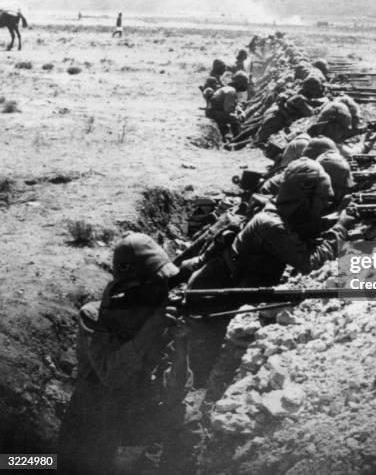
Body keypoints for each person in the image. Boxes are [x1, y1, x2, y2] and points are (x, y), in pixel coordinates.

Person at [181, 158, 354, 390]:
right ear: (303, 199)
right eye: (321, 199)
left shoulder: (279, 214)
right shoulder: (271, 224)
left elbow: (308, 233)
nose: (324, 205)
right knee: (197, 376)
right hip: (209, 305)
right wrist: (341, 227)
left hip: (227, 297)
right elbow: (309, 263)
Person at [58, 232, 192, 475]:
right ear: (136, 286)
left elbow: (177, 388)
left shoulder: (159, 316)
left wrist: (181, 346)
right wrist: (151, 328)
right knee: (42, 464)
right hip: (91, 426)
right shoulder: (94, 316)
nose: (163, 290)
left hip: (132, 423)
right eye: (156, 284)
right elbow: (111, 375)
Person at [205, 71, 249, 141]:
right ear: (240, 83)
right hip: (213, 112)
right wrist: (238, 116)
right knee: (234, 118)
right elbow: (229, 109)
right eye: (245, 82)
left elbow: (234, 105)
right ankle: (237, 139)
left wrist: (240, 111)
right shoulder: (231, 91)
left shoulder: (230, 89)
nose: (246, 85)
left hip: (215, 111)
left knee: (233, 117)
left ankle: (227, 135)